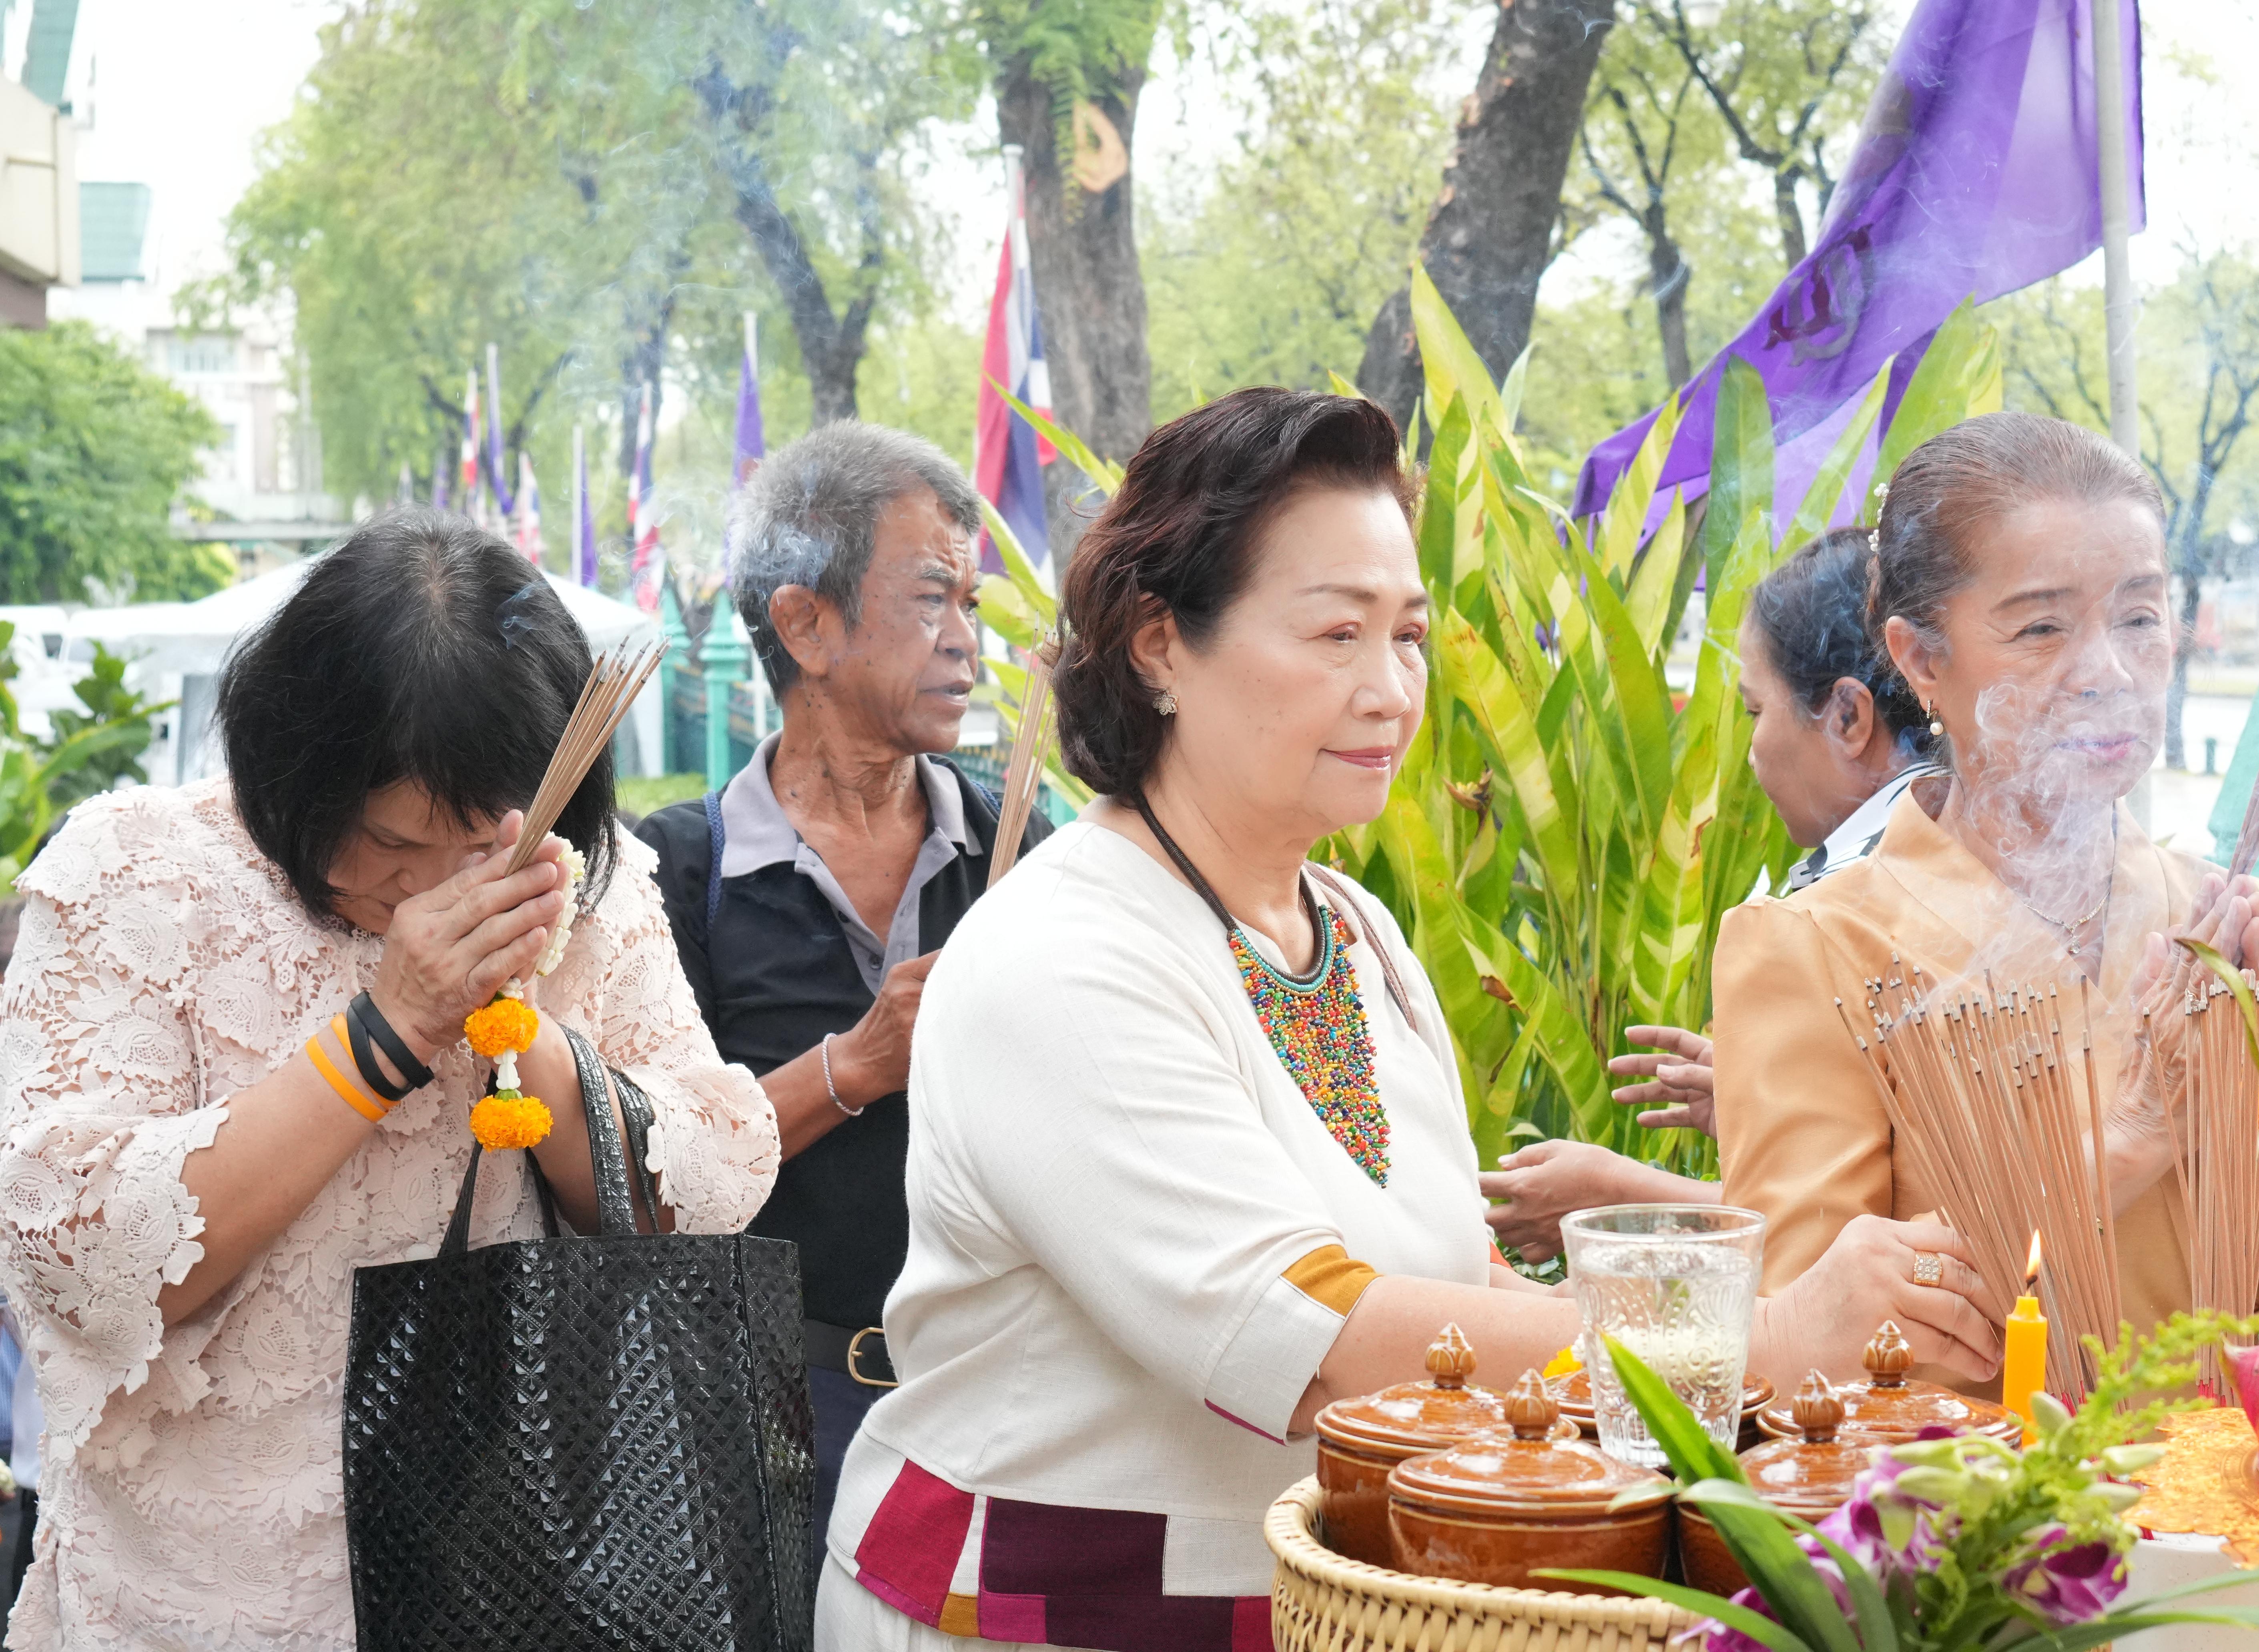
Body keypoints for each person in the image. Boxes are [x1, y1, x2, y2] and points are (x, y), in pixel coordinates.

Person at [816, 389, 1993, 1651]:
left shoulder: (1355, 934)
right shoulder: (1063, 953)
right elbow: (1313, 1340)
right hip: (1033, 1621)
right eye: (1336, 635)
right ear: (1160, 643)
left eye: (1411, 636)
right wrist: (1752, 1336)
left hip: (1323, 1608)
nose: (1391, 690)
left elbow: (1444, 1281)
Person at [0, 512, 778, 1649]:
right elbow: (74, 1254)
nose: (433, 892)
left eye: (479, 849)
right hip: (190, 1598)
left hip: (511, 1580)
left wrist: (530, 1034)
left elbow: (708, 1197)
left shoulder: (585, 888)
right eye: (392, 843)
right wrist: (390, 1029)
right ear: (293, 771)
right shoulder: (137, 872)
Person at [1711, 411, 2259, 1389]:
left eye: (2141, 618)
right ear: (1922, 659)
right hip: (1976, 1525)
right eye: (2041, 628)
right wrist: (2134, 1138)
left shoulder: (2217, 922)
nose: (2108, 673)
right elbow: (1810, 1357)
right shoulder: (1816, 952)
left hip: (2236, 1526)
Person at [636, 421, 1048, 1554]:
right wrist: (859, 1066)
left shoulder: (1025, 850)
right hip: (774, 1422)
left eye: (973, 603)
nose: (968, 642)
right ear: (804, 624)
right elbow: (642, 1176)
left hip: (1006, 1407)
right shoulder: (677, 871)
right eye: (934, 600)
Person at [1483, 526, 1942, 1263]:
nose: (1753, 749)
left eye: (1757, 713)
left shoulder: (1830, 916)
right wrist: (1779, 1107)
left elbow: (1828, 1257)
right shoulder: (1980, 852)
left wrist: (1624, 1195)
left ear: (1849, 717)